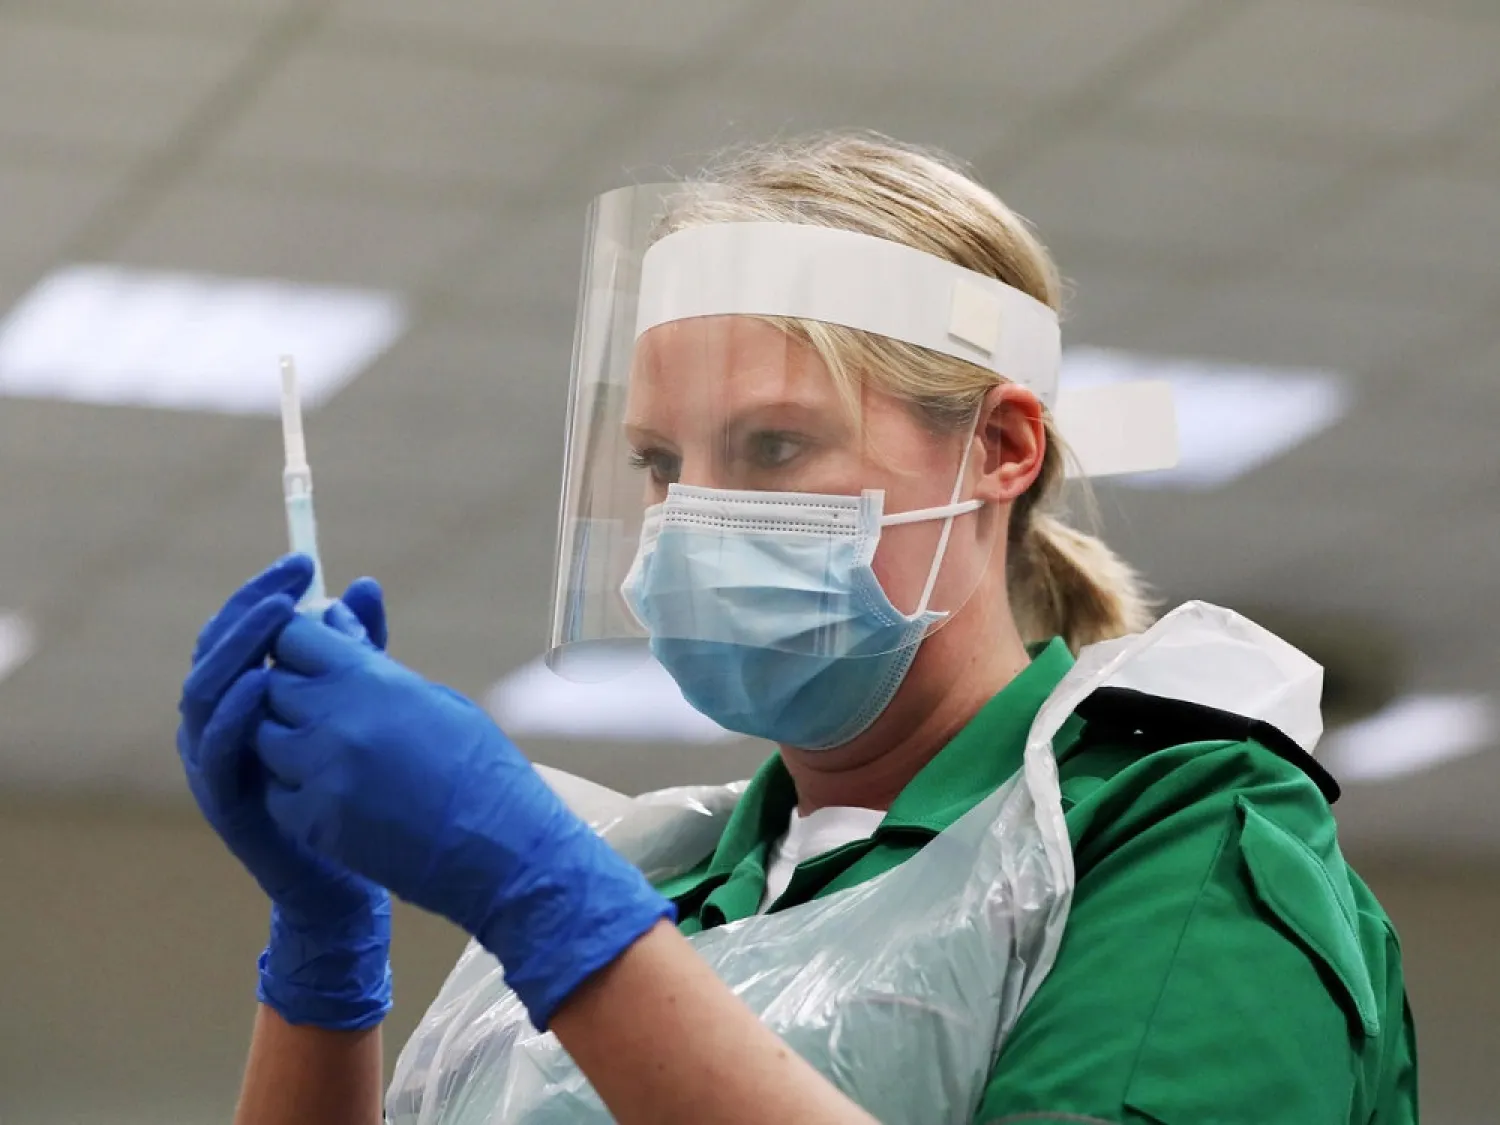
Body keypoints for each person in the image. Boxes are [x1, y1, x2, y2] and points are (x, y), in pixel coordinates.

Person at [177, 134, 1418, 1124]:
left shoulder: (1170, 831)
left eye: (773, 447)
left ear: (999, 448)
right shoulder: (666, 881)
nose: (694, 520)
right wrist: (326, 962)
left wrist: (551, 910)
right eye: (663, 465)